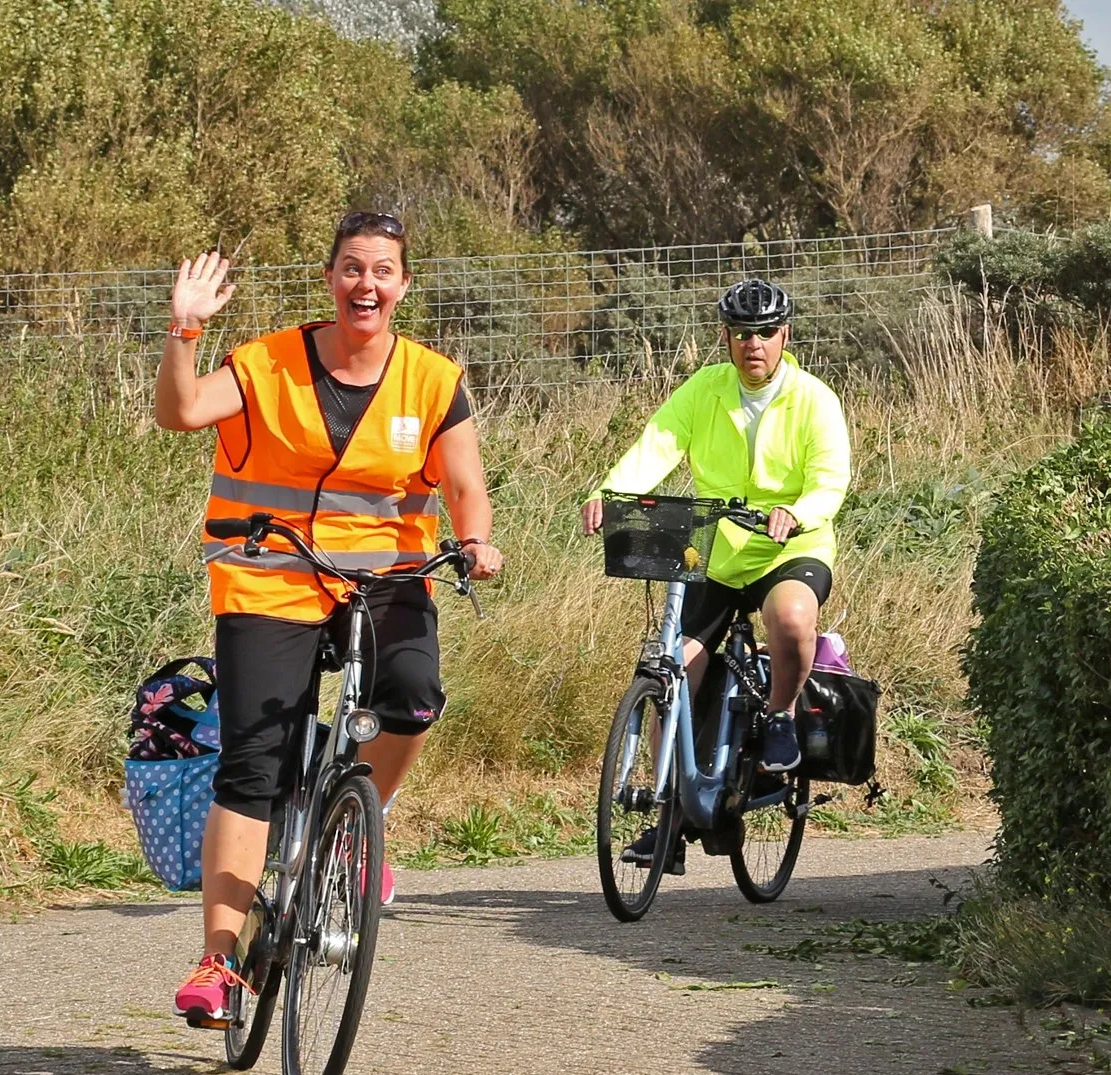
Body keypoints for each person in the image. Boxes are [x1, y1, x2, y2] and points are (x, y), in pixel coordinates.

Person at [156, 212, 503, 1024]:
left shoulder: (433, 379)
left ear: (404, 286)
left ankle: (355, 827)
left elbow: (464, 486)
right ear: (329, 280)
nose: (366, 285)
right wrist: (184, 328)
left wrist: (477, 540)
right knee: (254, 765)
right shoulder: (266, 361)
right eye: (351, 268)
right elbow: (181, 412)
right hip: (269, 575)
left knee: (414, 695)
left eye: (383, 271)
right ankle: (221, 959)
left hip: (387, 575)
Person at [581, 278, 849, 873]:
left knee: (791, 619)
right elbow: (657, 445)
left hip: (791, 548)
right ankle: (667, 814)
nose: (752, 344)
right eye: (740, 334)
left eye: (764, 333)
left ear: (784, 335)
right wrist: (611, 493)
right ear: (725, 338)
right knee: (672, 669)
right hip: (716, 554)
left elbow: (830, 480)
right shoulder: (704, 390)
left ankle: (779, 715)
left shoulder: (814, 399)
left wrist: (796, 511)